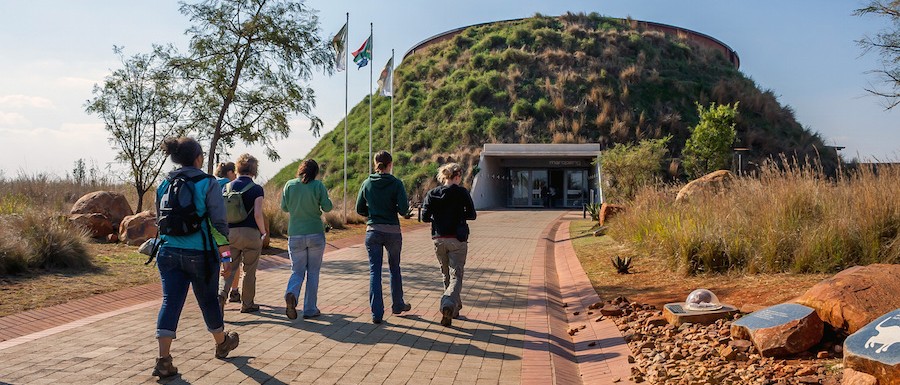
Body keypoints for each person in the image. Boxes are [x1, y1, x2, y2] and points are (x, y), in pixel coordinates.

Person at [153, 137, 239, 378]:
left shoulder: (165, 183)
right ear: (198, 158)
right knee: (208, 300)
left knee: (171, 301)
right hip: (200, 253)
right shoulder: (208, 182)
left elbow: (158, 220)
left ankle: (163, 360)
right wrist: (225, 256)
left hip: (167, 251)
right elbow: (219, 223)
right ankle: (222, 342)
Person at [356, 151, 412, 324]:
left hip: (373, 231)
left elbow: (359, 208)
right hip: (393, 232)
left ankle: (377, 313)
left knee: (375, 271)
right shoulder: (396, 183)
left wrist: (371, 213)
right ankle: (397, 305)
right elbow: (403, 209)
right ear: (390, 164)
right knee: (394, 268)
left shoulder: (367, 183)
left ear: (375, 164)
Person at [421, 163, 477, 327]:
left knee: (446, 275)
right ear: (458, 176)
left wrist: (438, 218)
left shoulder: (433, 193)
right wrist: (460, 214)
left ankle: (454, 310)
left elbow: (424, 217)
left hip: (439, 238)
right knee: (456, 275)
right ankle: (447, 304)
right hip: (457, 240)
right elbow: (472, 214)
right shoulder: (462, 193)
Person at [281, 159, 333, 320]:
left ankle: (292, 293)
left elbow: (284, 207)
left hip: (295, 234)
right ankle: (310, 308)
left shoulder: (290, 185)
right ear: (315, 172)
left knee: (297, 270)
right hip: (315, 233)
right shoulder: (318, 186)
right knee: (313, 272)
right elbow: (328, 207)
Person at [219, 153, 267, 313]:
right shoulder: (257, 189)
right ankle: (247, 304)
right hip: (251, 234)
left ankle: (221, 295)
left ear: (238, 168)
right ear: (254, 170)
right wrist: (263, 232)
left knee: (229, 268)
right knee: (249, 270)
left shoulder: (226, 187)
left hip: (229, 235)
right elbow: (258, 214)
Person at [214, 161, 242, 302]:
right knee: (231, 261)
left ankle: (215, 292)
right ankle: (234, 291)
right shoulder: (229, 186)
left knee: (217, 263)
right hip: (227, 233)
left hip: (211, 234)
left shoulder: (210, 184)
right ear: (230, 172)